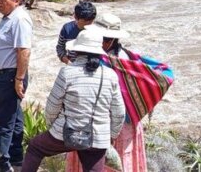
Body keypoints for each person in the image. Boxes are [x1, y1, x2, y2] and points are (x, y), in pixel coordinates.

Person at [22, 30, 125, 172]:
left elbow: (52, 106)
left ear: (76, 51)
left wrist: (53, 127)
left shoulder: (67, 72)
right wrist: (111, 136)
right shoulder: (111, 75)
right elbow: (119, 113)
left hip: (65, 132)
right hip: (97, 137)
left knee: (35, 147)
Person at [65, 13, 147, 172]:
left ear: (112, 40)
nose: (102, 42)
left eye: (105, 39)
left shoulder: (121, 61)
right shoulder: (101, 56)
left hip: (114, 124)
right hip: (104, 121)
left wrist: (111, 134)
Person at [0, 0, 33, 172]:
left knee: (3, 121)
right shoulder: (10, 17)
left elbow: (24, 51)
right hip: (6, 75)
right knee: (14, 117)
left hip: (11, 76)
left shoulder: (20, 19)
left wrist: (19, 79)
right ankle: (15, 156)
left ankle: (2, 163)